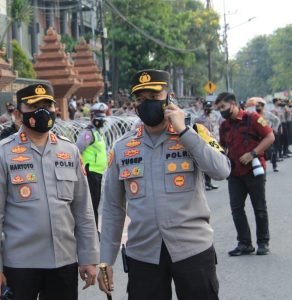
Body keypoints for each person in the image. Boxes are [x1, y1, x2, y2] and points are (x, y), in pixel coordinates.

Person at [98, 69, 230, 299]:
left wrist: (183, 131)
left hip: (192, 250)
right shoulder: (122, 146)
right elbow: (112, 208)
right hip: (144, 254)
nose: (147, 104)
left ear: (169, 97)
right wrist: (105, 261)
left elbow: (221, 170)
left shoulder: (194, 133)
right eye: (140, 99)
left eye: (154, 97)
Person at [0, 83, 99, 299]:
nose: (43, 111)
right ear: (18, 114)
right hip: (20, 264)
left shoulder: (69, 151)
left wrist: (89, 256)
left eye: (47, 105)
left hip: (64, 260)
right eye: (35, 106)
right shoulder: (1, 154)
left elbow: (83, 210)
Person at [216, 92, 275, 257]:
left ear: (233, 104)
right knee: (236, 209)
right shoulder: (224, 125)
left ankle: (263, 242)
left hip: (253, 170)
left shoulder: (253, 118)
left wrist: (253, 153)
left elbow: (270, 136)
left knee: (259, 208)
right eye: (219, 108)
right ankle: (245, 243)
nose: (221, 111)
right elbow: (222, 147)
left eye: (223, 107)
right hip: (234, 173)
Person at [76, 102, 108, 227]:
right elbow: (77, 150)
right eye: (98, 117)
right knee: (91, 205)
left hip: (97, 173)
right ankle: (92, 230)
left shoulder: (98, 132)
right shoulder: (88, 133)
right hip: (90, 173)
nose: (101, 121)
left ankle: (94, 229)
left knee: (95, 203)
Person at [194, 100, 220, 191]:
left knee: (211, 162)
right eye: (206, 108)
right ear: (203, 108)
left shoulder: (214, 117)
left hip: (213, 142)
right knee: (204, 162)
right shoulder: (199, 119)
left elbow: (216, 129)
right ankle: (205, 183)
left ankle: (209, 182)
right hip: (203, 142)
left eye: (209, 108)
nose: (208, 110)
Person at [249, 97, 281, 172]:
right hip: (258, 136)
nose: (257, 108)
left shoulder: (267, 114)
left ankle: (274, 165)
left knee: (272, 150)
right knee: (259, 151)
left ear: (262, 106)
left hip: (267, 135)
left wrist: (274, 129)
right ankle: (260, 166)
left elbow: (277, 120)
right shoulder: (254, 115)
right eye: (256, 106)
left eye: (258, 106)